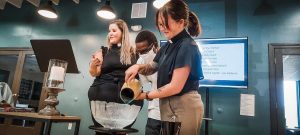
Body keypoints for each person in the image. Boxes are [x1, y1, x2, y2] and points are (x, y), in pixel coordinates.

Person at [125, 1, 204, 135]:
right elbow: (152, 67)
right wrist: (137, 66)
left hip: (184, 106)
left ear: (181, 22)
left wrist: (145, 95)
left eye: (166, 24)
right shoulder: (167, 46)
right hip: (167, 106)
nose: (162, 28)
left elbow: (175, 87)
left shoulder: (187, 46)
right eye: (160, 25)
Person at [88, 19, 143, 135]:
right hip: (102, 100)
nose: (110, 33)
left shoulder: (134, 52)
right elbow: (94, 72)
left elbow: (142, 71)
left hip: (126, 100)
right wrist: (93, 64)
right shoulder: (103, 51)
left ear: (123, 33)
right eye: (109, 31)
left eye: (114, 30)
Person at [135, 30, 161, 135]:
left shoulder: (167, 58)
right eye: (139, 51)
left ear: (154, 45)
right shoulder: (141, 62)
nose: (141, 54)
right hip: (154, 112)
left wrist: (148, 95)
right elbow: (139, 86)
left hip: (172, 111)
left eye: (144, 51)